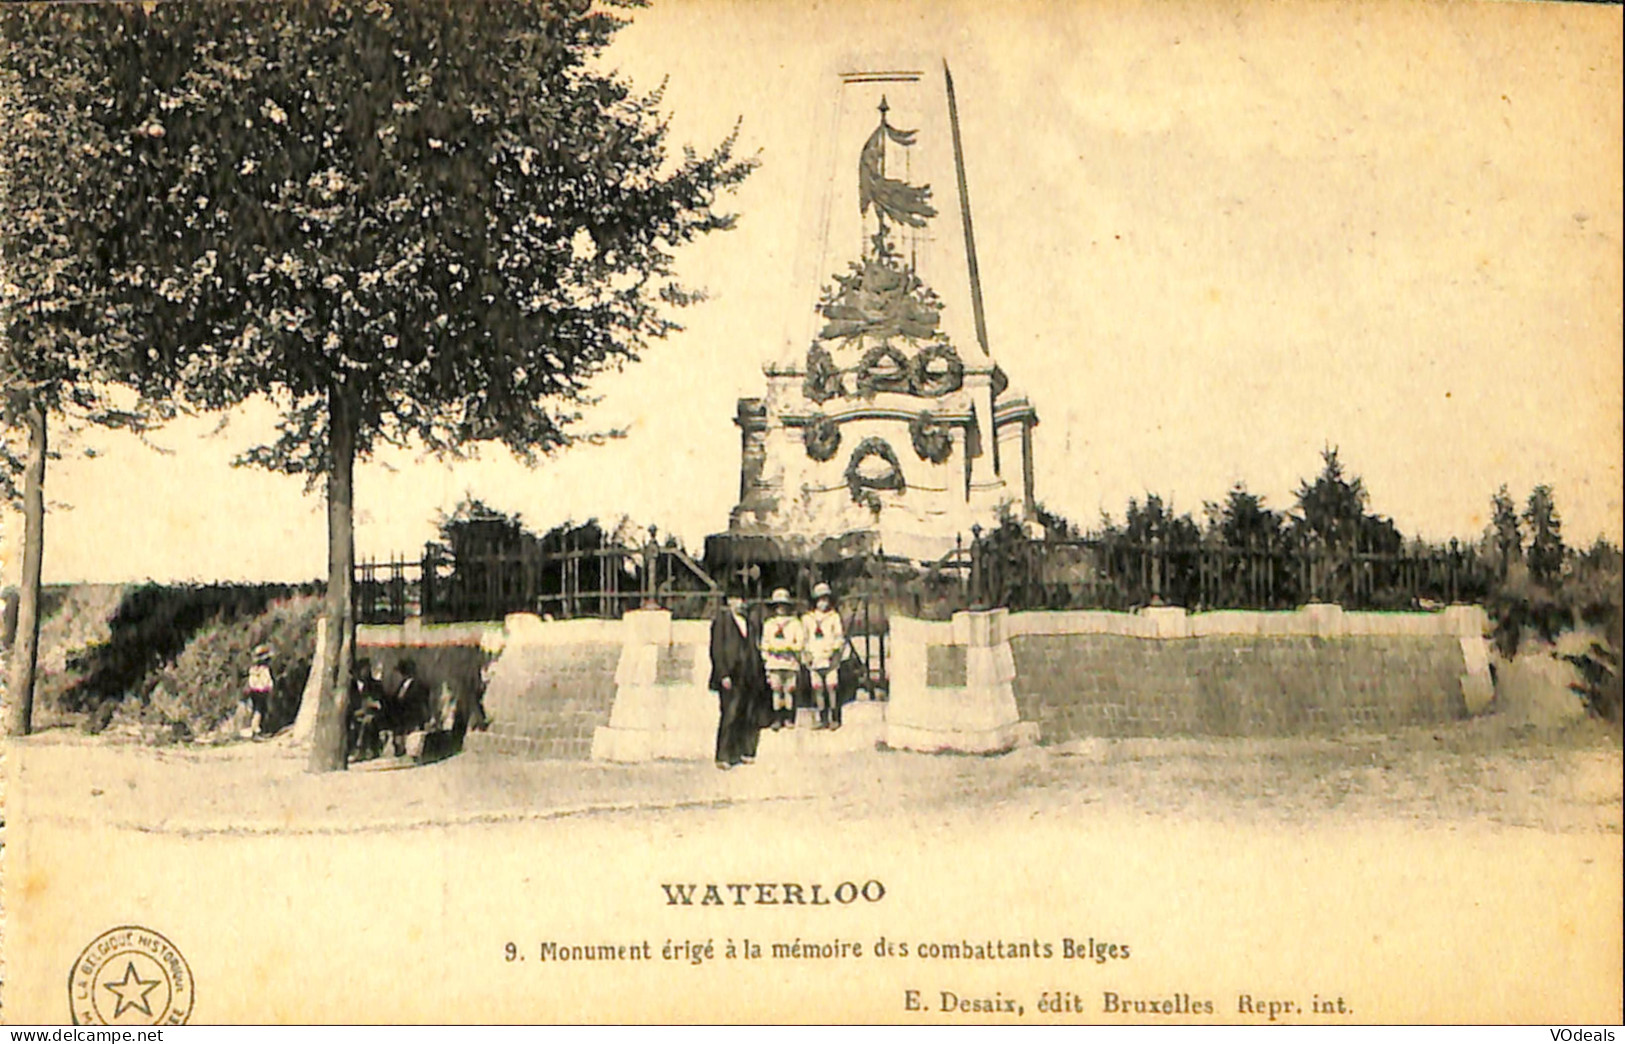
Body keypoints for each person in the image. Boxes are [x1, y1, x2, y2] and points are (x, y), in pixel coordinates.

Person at [708, 593, 766, 769]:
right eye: (737, 599)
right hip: (730, 676)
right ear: (730, 601)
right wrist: (723, 673)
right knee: (730, 714)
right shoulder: (722, 622)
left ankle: (741, 751)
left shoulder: (749, 622)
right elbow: (716, 649)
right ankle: (723, 755)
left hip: (747, 674)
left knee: (746, 713)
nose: (741, 603)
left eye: (743, 599)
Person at [800, 582, 846, 730]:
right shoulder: (808, 619)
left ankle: (834, 716)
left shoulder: (833, 617)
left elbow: (839, 636)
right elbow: (804, 638)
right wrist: (806, 653)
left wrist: (834, 649)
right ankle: (822, 717)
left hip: (829, 656)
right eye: (820, 600)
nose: (823, 603)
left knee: (831, 686)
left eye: (825, 599)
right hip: (815, 656)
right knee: (818, 687)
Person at [760, 589, 806, 730]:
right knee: (776, 689)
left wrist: (788, 647)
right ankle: (777, 718)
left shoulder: (795, 624)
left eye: (784, 605)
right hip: (774, 662)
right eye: (778, 605)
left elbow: (800, 643)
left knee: (789, 689)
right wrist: (771, 651)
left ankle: (789, 718)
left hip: (789, 662)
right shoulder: (769, 624)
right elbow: (765, 643)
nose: (781, 608)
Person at [349, 659, 387, 761]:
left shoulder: (376, 685)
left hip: (373, 715)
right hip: (355, 714)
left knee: (368, 721)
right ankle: (357, 749)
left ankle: (362, 749)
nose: (366, 672)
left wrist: (373, 704)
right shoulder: (350, 687)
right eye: (363, 669)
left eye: (368, 669)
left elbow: (382, 704)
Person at [242, 645, 274, 738]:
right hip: (261, 691)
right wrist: (269, 687)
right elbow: (267, 681)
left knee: (258, 709)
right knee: (259, 710)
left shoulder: (253, 669)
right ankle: (256, 730)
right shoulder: (264, 669)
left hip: (255, 691)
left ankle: (258, 729)